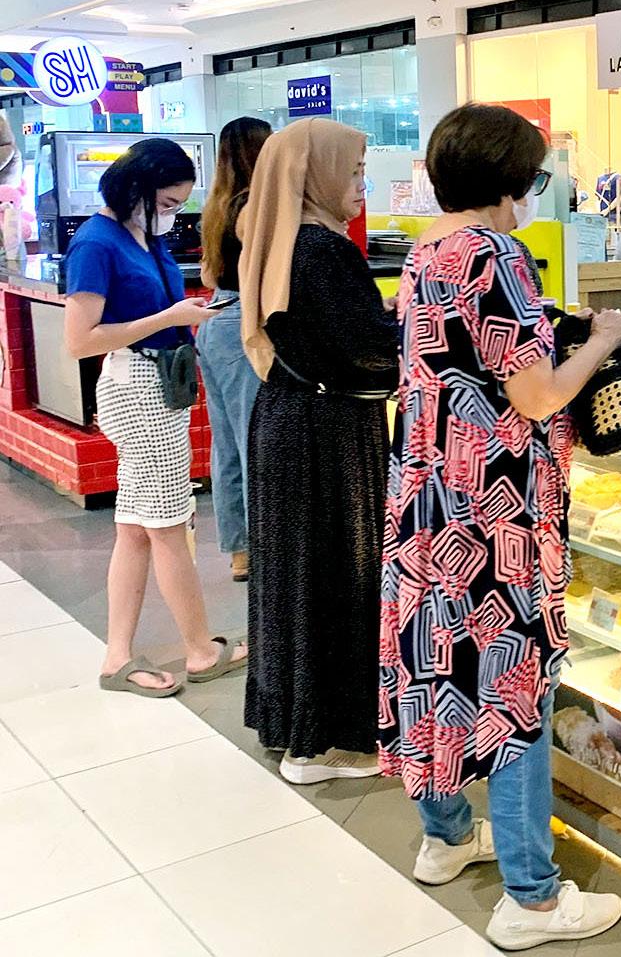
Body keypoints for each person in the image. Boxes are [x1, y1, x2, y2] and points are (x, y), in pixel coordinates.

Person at [380, 104, 621, 951]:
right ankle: (532, 895)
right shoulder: (496, 254)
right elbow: (539, 394)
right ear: (511, 180)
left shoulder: (425, 251)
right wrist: (602, 341)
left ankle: (447, 835)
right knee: (515, 683)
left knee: (434, 659)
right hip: (495, 509)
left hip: (428, 495)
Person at [237, 117, 398, 785]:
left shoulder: (276, 238)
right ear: (315, 175)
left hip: (289, 417)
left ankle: (294, 725)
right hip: (327, 432)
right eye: (352, 172)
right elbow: (369, 351)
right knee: (337, 575)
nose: (361, 186)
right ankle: (326, 741)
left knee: (297, 576)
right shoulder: (323, 250)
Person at [64, 138, 248, 698]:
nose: (172, 214)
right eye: (166, 203)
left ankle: (117, 656)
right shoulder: (96, 243)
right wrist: (169, 317)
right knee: (167, 525)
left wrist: (179, 315)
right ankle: (200, 649)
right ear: (136, 190)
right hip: (137, 387)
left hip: (157, 384)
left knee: (136, 529)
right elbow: (79, 340)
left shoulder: (140, 235)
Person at [197, 116, 271, 583]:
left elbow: (208, 274)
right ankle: (264, 545)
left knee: (226, 444)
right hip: (244, 321)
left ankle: (239, 550)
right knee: (255, 441)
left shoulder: (217, 205)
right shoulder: (256, 206)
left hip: (214, 319)